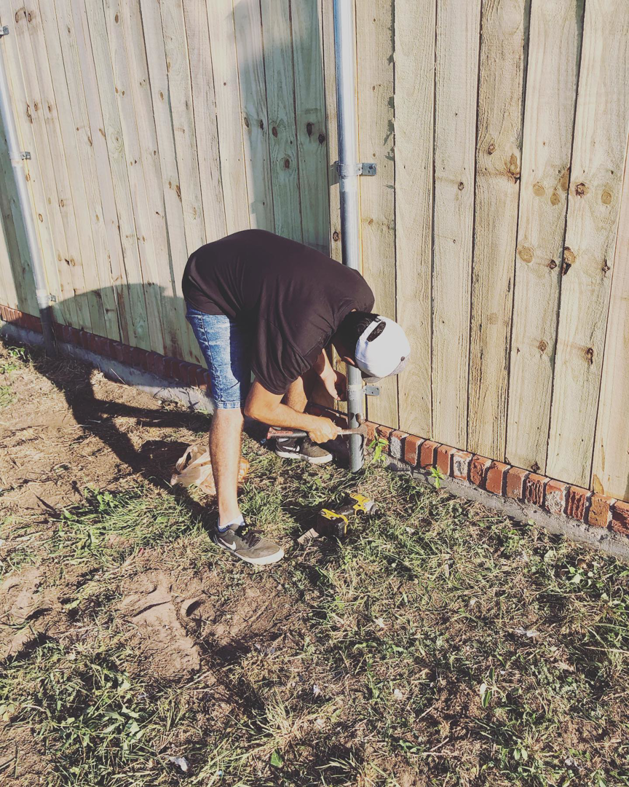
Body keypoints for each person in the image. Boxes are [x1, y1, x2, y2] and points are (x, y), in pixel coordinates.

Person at [182, 229, 410, 565]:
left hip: (252, 267)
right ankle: (227, 526)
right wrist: (311, 422)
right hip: (210, 282)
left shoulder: (361, 296)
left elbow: (311, 331)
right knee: (231, 405)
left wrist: (325, 373)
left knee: (293, 359)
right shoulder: (302, 336)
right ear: (349, 358)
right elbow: (258, 407)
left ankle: (287, 441)